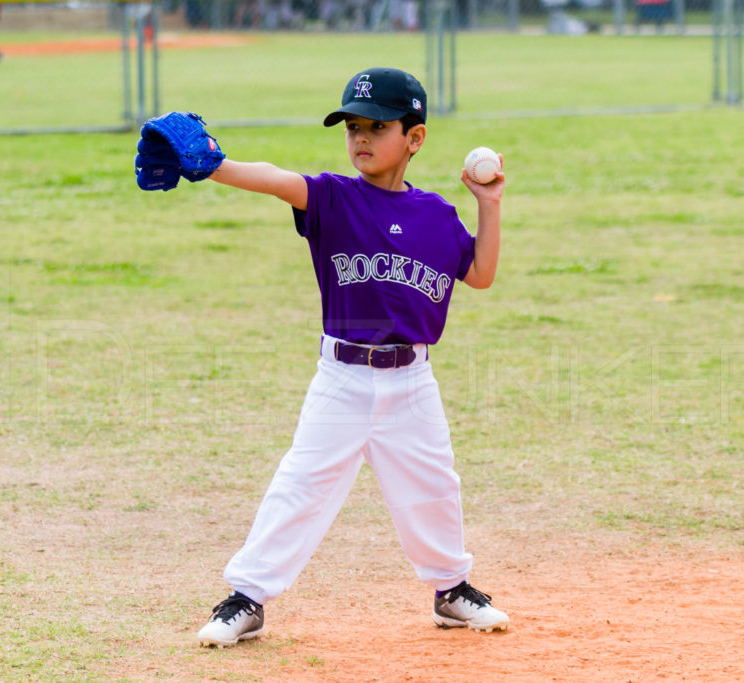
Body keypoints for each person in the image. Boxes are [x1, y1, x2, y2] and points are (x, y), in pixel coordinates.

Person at [194, 67, 508, 647]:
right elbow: (276, 179)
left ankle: (451, 590)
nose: (361, 138)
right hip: (342, 377)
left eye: (377, 127)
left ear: (414, 139)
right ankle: (247, 598)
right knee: (302, 484)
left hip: (412, 381)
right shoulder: (335, 198)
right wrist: (217, 166)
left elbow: (481, 274)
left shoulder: (437, 216)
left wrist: (488, 203)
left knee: (435, 485)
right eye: (352, 127)